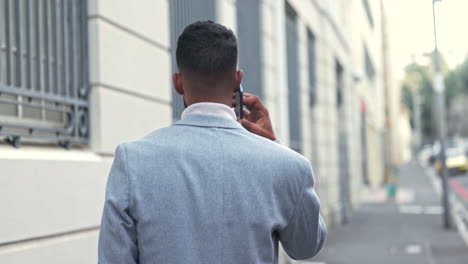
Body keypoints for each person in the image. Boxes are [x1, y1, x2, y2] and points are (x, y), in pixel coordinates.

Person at [98, 20, 326, 264]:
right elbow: (306, 247)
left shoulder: (132, 161)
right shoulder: (287, 166)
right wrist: (274, 145)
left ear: (177, 83)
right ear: (238, 80)